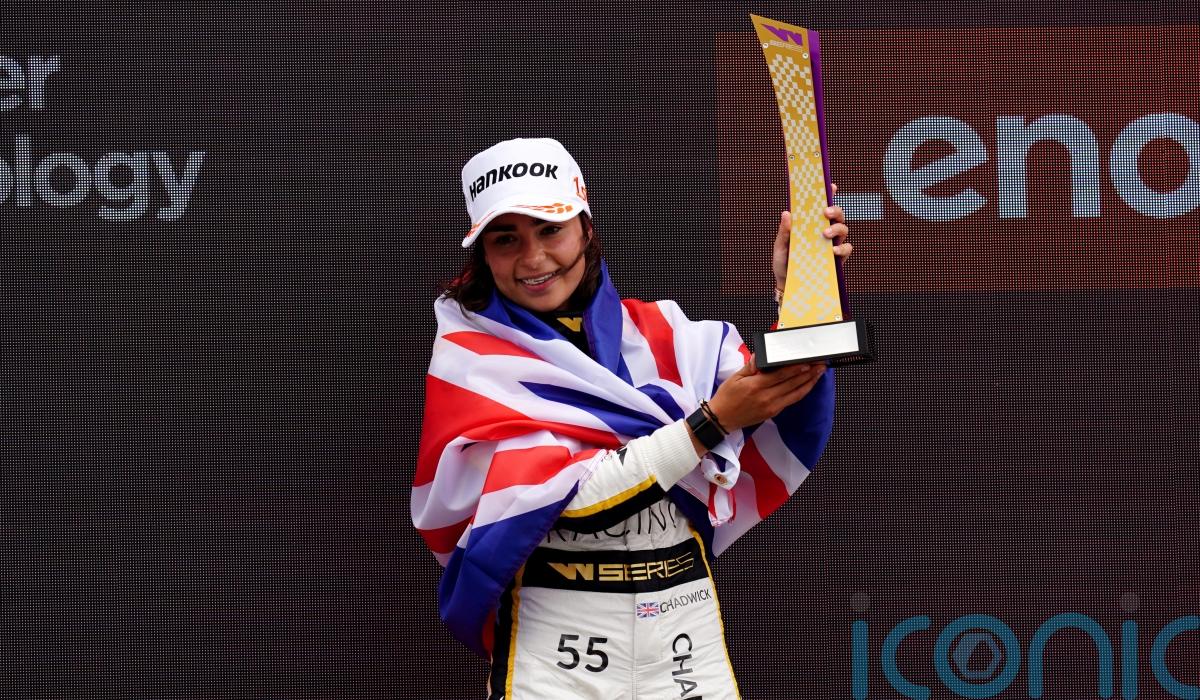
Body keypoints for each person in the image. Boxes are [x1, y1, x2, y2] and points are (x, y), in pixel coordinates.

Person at [413, 137, 852, 699]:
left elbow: (783, 406)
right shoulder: (472, 361)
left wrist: (800, 294)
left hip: (684, 636)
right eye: (506, 239)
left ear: (586, 229)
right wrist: (709, 425)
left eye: (550, 229)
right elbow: (570, 501)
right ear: (482, 254)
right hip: (557, 654)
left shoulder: (665, 331)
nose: (533, 258)